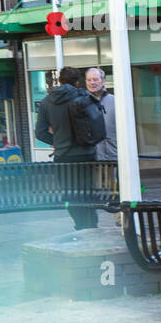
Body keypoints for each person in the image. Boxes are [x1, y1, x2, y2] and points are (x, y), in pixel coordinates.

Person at [34, 66, 101, 229]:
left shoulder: (46, 101)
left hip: (63, 157)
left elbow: (40, 132)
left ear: (60, 80)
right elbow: (98, 125)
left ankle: (80, 224)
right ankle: (90, 225)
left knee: (69, 192)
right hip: (86, 155)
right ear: (77, 82)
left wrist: (57, 141)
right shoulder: (85, 96)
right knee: (88, 192)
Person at [85, 67, 117, 161]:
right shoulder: (80, 102)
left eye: (95, 79)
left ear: (103, 81)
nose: (92, 83)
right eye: (89, 80)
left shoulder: (115, 101)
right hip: (90, 158)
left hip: (114, 156)